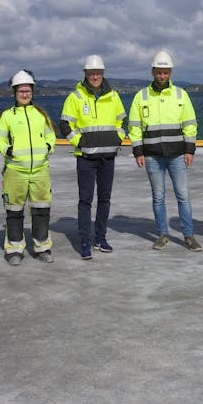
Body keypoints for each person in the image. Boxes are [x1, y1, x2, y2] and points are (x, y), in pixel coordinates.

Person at [128, 50, 202, 251]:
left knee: (183, 196)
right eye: (159, 72)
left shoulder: (181, 95)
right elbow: (134, 127)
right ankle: (163, 234)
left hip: (177, 154)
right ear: (152, 71)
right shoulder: (141, 96)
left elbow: (190, 124)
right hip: (152, 156)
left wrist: (189, 150)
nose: (162, 76)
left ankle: (189, 236)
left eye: (166, 72)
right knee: (158, 197)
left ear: (170, 72)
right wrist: (138, 152)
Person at [59, 55, 127, 260]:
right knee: (85, 200)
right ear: (85, 74)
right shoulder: (75, 97)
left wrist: (118, 138)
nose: (95, 76)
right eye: (91, 73)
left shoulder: (113, 96)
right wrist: (79, 142)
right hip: (86, 158)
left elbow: (123, 122)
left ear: (103, 73)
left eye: (98, 73)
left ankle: (100, 237)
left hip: (108, 156)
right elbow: (64, 125)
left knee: (105, 199)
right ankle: (85, 241)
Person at [0, 70, 57, 266]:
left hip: (40, 170)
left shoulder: (40, 114)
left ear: (32, 92)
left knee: (41, 210)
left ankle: (42, 248)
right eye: (21, 91)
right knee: (14, 211)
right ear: (14, 93)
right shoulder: (7, 116)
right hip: (15, 171)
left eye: (28, 90)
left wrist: (48, 147)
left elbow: (50, 136)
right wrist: (9, 150)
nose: (24, 94)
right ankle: (14, 250)